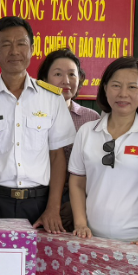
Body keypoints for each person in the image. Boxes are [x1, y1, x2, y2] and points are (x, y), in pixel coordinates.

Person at [0, 17, 75, 229]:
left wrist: (53, 208)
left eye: (21, 44)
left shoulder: (52, 98)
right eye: (6, 44)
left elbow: (57, 157)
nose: (14, 51)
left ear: (32, 49)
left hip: (40, 204)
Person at [69, 57, 138, 244]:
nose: (123, 94)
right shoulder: (87, 131)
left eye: (132, 87)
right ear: (105, 88)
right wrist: (80, 224)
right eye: (116, 86)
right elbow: (77, 182)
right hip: (91, 238)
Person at [37, 48, 99, 231]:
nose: (66, 81)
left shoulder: (91, 118)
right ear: (44, 79)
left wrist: (76, 205)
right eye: (58, 74)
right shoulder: (33, 114)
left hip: (79, 204)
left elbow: (96, 169)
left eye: (72, 74)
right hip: (37, 197)